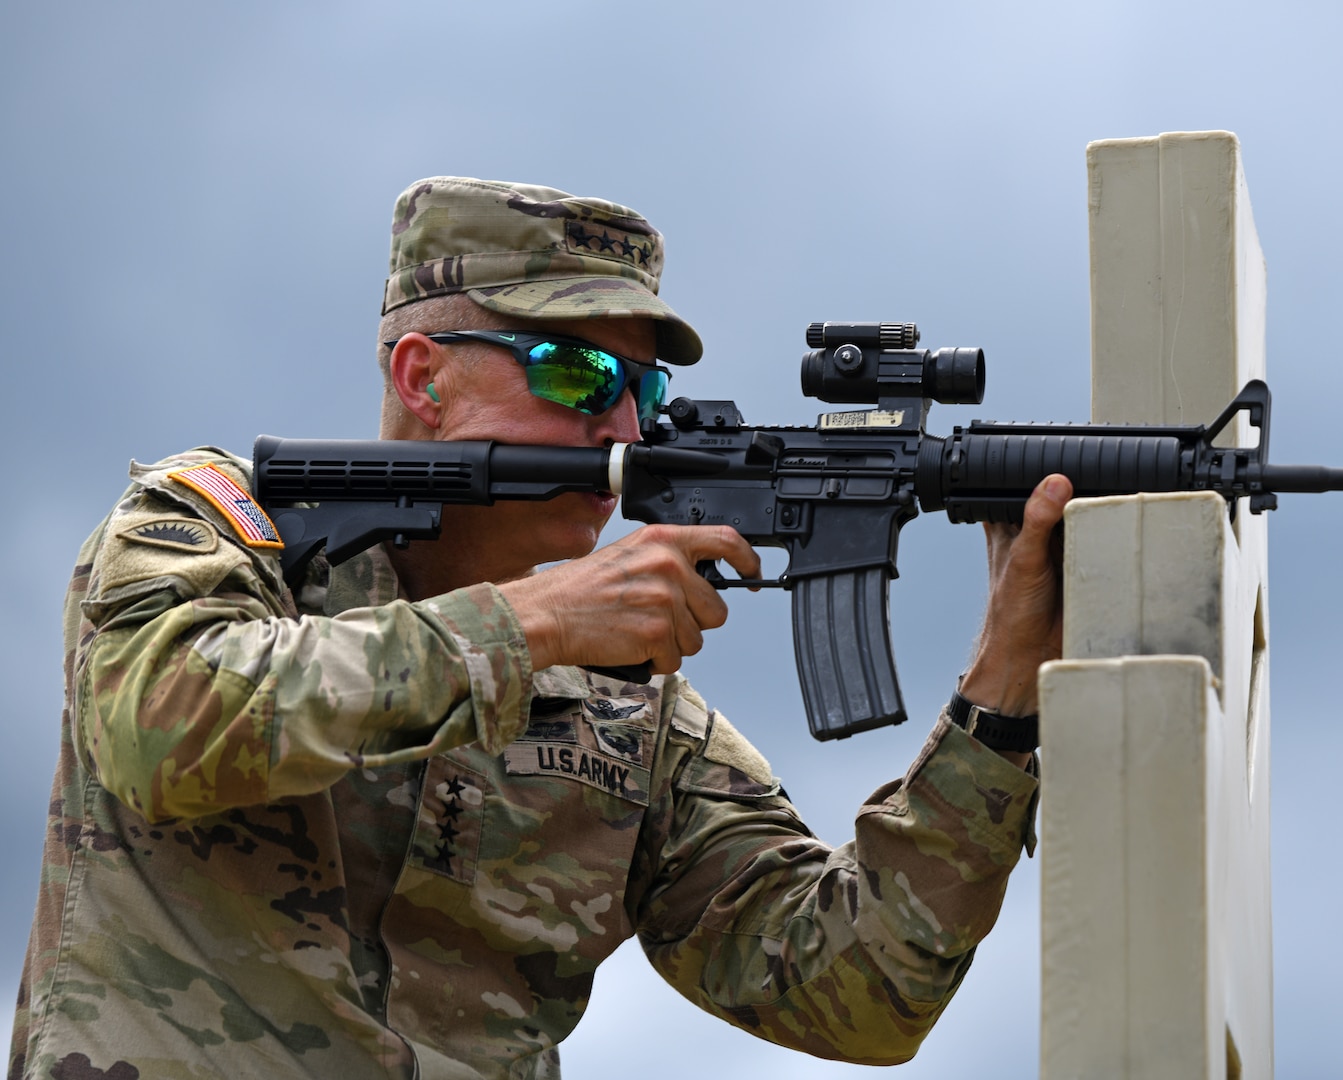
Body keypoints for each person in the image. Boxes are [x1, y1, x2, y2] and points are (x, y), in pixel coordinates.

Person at [10, 177, 1074, 1080]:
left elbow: (859, 987)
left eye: (644, 387)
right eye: (576, 373)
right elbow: (164, 725)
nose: (618, 423)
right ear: (421, 376)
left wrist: (1003, 692)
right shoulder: (219, 532)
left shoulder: (630, 715)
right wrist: (537, 623)